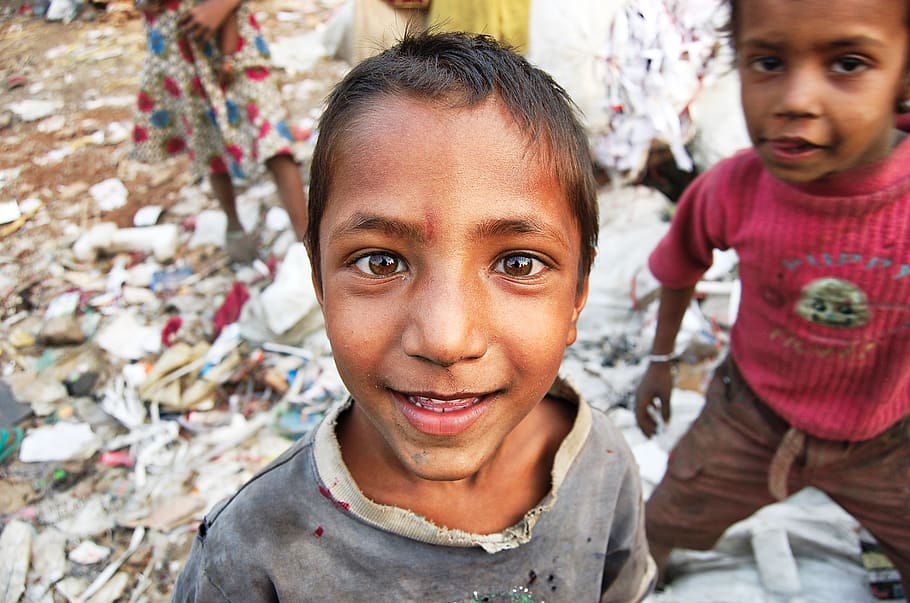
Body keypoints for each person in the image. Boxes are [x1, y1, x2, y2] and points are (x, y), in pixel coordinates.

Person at [171, 30, 656, 602]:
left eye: (518, 263)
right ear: (319, 282)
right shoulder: (255, 550)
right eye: (381, 262)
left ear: (578, 292)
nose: (445, 339)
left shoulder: (599, 467)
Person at [634, 0, 910, 592]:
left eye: (849, 63)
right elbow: (681, 265)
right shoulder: (735, 186)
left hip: (889, 437)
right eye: (767, 62)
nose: (796, 100)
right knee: (658, 526)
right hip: (750, 416)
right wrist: (659, 364)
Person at [131, 0, 308, 262]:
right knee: (207, 141)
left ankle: (307, 240)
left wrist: (220, 13)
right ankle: (234, 227)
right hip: (180, 53)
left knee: (272, 136)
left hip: (234, 44)